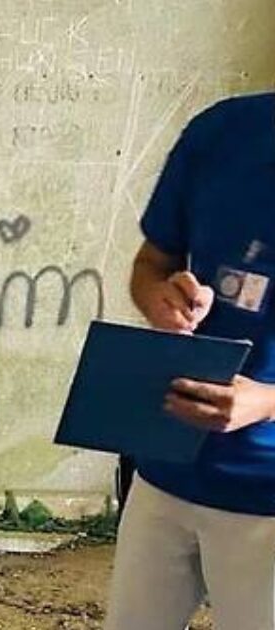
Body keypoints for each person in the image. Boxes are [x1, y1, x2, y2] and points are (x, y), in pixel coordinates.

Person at [106, 92, 275, 630]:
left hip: (266, 493)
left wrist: (267, 402)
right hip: (167, 463)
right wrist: (161, 298)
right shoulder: (219, 132)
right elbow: (152, 264)